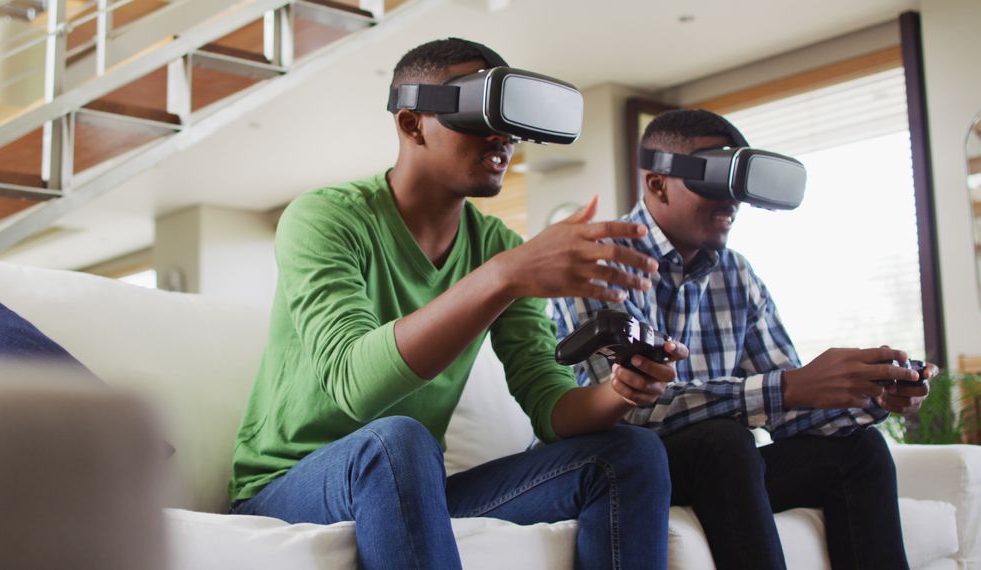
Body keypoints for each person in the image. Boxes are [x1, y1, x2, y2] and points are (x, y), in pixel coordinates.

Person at [228, 38, 686, 570]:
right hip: (288, 486)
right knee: (397, 440)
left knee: (630, 452)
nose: (503, 136)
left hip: (408, 481)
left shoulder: (496, 246)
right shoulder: (323, 219)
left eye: (509, 119)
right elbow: (354, 384)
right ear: (411, 123)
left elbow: (551, 407)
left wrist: (618, 393)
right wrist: (503, 277)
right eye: (478, 111)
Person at [552, 108, 938, 570]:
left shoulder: (737, 274)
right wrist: (790, 386)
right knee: (721, 439)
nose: (730, 201)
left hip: (725, 470)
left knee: (860, 450)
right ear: (657, 184)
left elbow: (790, 402)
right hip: (626, 466)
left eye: (737, 184)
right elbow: (632, 409)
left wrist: (868, 392)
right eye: (715, 179)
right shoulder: (598, 264)